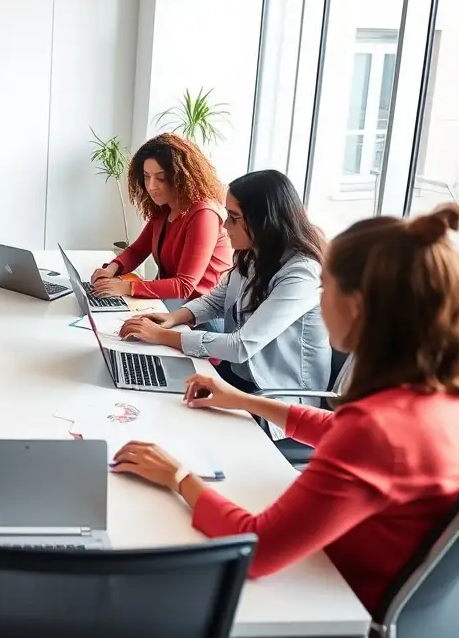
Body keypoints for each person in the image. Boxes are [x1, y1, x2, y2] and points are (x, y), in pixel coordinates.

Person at [108, 204, 459, 614]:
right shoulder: (435, 398)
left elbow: (256, 549)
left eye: (325, 288)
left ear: (358, 305)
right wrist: (241, 400)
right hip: (351, 579)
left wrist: (177, 475)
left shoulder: (378, 428)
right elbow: (338, 429)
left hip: (329, 603)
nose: (320, 300)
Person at [119, 170, 329, 400]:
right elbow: (217, 299)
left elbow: (240, 346)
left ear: (264, 220)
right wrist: (174, 318)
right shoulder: (252, 253)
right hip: (241, 377)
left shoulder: (302, 274)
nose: (225, 225)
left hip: (276, 396)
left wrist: (161, 336)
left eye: (233, 217)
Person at [90, 134, 232, 301]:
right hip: (172, 302)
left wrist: (126, 287)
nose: (151, 186)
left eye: (161, 178)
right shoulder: (164, 208)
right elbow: (137, 251)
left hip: (200, 310)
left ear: (182, 178)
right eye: (146, 176)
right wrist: (111, 269)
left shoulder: (204, 214)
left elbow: (184, 286)